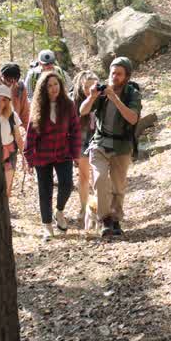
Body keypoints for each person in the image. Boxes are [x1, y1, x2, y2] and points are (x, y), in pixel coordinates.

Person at [79, 56, 141, 238]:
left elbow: (132, 118)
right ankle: (104, 219)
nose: (114, 77)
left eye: (119, 74)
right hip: (100, 143)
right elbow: (82, 111)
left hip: (122, 146)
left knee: (118, 186)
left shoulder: (132, 94)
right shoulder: (103, 92)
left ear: (127, 76)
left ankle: (115, 220)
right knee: (99, 180)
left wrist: (115, 99)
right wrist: (91, 97)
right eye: (112, 73)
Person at [24, 70, 81, 241]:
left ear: (61, 86)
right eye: (49, 86)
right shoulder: (38, 106)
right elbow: (30, 135)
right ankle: (47, 226)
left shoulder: (68, 105)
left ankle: (60, 211)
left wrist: (75, 153)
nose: (53, 88)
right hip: (43, 155)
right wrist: (29, 158)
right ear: (44, 89)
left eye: (56, 84)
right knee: (45, 190)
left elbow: (75, 131)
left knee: (67, 184)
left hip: (63, 153)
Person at [70, 70, 101, 230]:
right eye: (87, 86)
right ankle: (83, 208)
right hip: (81, 139)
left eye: (93, 86)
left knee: (98, 176)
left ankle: (97, 210)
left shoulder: (102, 96)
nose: (90, 89)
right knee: (84, 177)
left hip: (98, 138)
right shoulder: (74, 101)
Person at [0, 84, 25, 205]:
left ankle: (4, 214)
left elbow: (18, 138)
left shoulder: (12, 116)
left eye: (4, 100)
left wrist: (25, 156)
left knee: (6, 188)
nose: (0, 102)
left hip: (9, 155)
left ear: (7, 102)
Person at [0, 62, 30, 129]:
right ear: (2, 76)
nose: (10, 83)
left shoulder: (20, 88)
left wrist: (26, 132)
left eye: (14, 80)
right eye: (8, 80)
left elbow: (25, 114)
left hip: (15, 129)